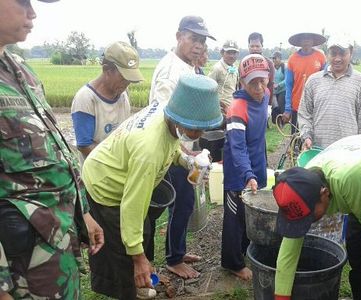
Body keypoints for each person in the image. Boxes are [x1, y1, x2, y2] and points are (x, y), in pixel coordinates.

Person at [82, 74, 223, 299]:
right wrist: (137, 258)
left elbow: (172, 144)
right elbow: (132, 206)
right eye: (195, 129)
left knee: (144, 231)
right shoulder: (148, 150)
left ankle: (144, 276)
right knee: (121, 252)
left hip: (123, 168)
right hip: (105, 184)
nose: (198, 134)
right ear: (180, 119)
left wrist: (187, 160)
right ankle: (130, 287)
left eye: (202, 129)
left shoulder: (168, 109)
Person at [0, 0, 104, 298]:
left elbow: (55, 151)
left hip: (56, 250)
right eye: (22, 1)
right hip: (19, 269)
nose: (32, 12)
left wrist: (82, 212)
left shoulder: (21, 70)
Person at [273, 134, 361, 300]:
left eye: (308, 218)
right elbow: (288, 255)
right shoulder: (303, 183)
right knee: (358, 257)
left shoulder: (349, 178)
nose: (307, 223)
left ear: (324, 193)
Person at [149, 15, 215, 279]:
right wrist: (185, 152)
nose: (198, 45)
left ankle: (177, 250)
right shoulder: (170, 70)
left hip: (184, 147)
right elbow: (163, 116)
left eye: (201, 40)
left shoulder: (188, 66)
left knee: (184, 203)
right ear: (178, 36)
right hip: (172, 149)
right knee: (182, 202)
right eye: (193, 38)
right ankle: (174, 259)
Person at [221, 54, 270, 281]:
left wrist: (259, 168)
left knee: (248, 213)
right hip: (237, 171)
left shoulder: (265, 96)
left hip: (257, 165)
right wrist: (247, 173)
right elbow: (238, 148)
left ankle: (244, 249)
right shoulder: (237, 109)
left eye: (262, 80)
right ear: (242, 81)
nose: (259, 87)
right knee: (234, 216)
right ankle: (232, 262)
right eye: (252, 82)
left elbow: (259, 136)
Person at [71, 41, 144, 159]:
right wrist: (117, 159)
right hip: (97, 172)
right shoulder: (86, 99)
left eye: (130, 79)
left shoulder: (123, 94)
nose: (127, 84)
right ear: (107, 70)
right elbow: (85, 146)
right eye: (123, 78)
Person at [298, 39, 361, 150]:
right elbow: (304, 114)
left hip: (349, 152)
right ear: (327, 54)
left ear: (351, 53)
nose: (337, 59)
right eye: (333, 54)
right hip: (317, 151)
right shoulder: (313, 80)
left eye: (342, 53)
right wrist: (307, 136)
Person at [283, 32, 326, 134]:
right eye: (303, 38)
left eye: (309, 38)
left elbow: (326, 80)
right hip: (297, 106)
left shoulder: (320, 57)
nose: (306, 41)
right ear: (299, 41)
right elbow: (288, 85)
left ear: (313, 41)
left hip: (316, 105)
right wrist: (287, 109)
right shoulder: (292, 59)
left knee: (315, 138)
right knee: (297, 138)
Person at [208, 40, 240, 115]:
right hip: (219, 110)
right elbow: (208, 91)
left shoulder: (235, 68)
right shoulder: (217, 68)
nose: (231, 56)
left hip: (232, 108)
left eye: (234, 53)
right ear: (222, 53)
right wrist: (223, 106)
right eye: (228, 52)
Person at [247, 32, 275, 102]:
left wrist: (269, 104)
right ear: (248, 46)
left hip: (263, 101)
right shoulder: (244, 63)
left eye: (257, 46)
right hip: (247, 101)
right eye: (252, 46)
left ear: (262, 46)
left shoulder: (269, 63)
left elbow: (270, 85)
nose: (254, 49)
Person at [271, 51, 287, 124]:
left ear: (280, 58)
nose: (273, 60)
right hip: (273, 91)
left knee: (281, 107)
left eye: (275, 58)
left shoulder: (284, 67)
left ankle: (283, 122)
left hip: (282, 90)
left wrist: (279, 84)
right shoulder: (271, 68)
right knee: (275, 107)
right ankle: (276, 121)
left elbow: (287, 79)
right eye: (272, 58)